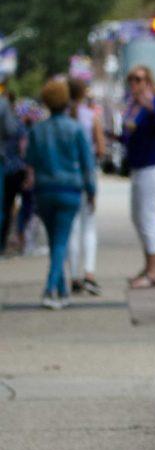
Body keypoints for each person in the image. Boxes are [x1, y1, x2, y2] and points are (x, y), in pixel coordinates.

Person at [24, 78, 95, 309]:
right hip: (69, 190)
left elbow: (30, 160)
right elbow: (87, 164)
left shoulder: (38, 130)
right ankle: (50, 288)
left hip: (44, 190)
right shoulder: (74, 129)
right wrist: (92, 191)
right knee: (61, 241)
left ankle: (63, 290)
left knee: (56, 241)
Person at [120, 65, 155, 288]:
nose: (135, 84)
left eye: (139, 79)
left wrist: (150, 107)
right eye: (132, 80)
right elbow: (129, 134)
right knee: (137, 216)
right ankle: (148, 264)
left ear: (148, 81)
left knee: (148, 216)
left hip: (153, 166)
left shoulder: (154, 102)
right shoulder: (132, 106)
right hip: (138, 165)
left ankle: (154, 271)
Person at [67, 78, 105, 295]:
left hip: (65, 180)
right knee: (88, 226)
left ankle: (73, 276)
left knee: (71, 228)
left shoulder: (60, 118)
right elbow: (100, 149)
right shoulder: (91, 118)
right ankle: (89, 273)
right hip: (86, 176)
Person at [0, 78, 27, 255]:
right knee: (5, 206)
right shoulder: (3, 106)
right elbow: (11, 131)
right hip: (7, 164)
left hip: (8, 164)